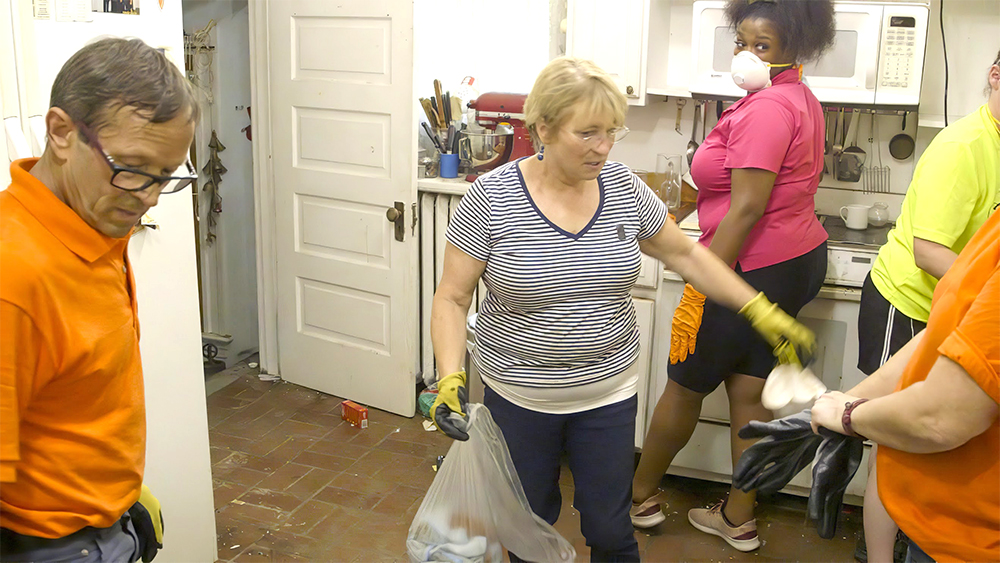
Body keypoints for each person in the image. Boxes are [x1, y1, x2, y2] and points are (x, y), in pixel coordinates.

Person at [429, 56, 816, 562]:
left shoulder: (623, 188)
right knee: (526, 528)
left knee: (612, 532)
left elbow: (685, 254)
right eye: (587, 133)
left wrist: (758, 308)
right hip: (521, 398)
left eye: (612, 131)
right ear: (544, 128)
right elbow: (452, 297)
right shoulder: (492, 198)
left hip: (607, 395)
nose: (604, 147)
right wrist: (449, 376)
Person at [630, 0, 836, 552]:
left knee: (683, 386)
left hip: (750, 265)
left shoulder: (766, 109)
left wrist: (702, 282)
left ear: (795, 48)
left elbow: (745, 208)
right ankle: (738, 517)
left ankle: (638, 497)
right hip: (793, 260)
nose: (746, 54)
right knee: (749, 389)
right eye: (742, 42)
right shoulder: (799, 97)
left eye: (762, 46)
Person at [0, 38, 198, 562]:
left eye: (166, 175)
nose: (149, 197)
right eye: (131, 167)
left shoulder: (89, 224)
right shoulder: (12, 274)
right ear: (61, 132)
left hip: (104, 524)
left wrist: (116, 492)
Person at [853, 49, 1000, 563]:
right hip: (908, 305)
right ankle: (877, 556)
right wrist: (986, 301)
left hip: (963, 315)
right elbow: (927, 251)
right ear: (996, 75)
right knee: (895, 440)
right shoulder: (964, 147)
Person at [810, 206, 999, 563]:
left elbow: (940, 419)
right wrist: (846, 401)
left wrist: (850, 416)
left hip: (971, 544)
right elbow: (946, 330)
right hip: (938, 526)